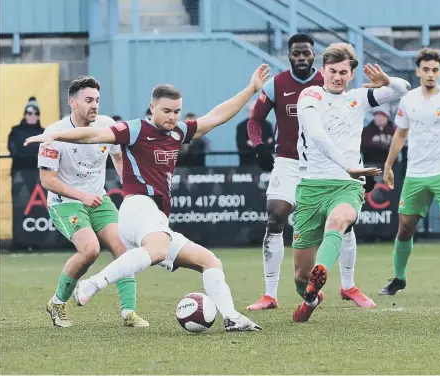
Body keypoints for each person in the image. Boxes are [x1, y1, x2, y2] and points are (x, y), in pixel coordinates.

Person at [25, 65, 271, 332]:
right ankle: (92, 283)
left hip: (151, 214)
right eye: (166, 110)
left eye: (176, 111)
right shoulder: (135, 129)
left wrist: (250, 90)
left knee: (210, 262)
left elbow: (216, 117)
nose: (172, 116)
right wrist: (54, 134)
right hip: (137, 206)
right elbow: (93, 135)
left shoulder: (178, 132)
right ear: (151, 108)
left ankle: (231, 317)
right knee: (140, 250)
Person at [246, 33, 375, 311]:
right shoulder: (276, 84)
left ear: (314, 55)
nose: (301, 58)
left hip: (330, 166)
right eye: (296, 54)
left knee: (344, 220)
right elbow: (255, 120)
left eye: (306, 54)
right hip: (288, 161)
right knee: (276, 215)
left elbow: (350, 130)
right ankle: (270, 294)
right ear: (289, 55)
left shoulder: (331, 79)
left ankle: (348, 285)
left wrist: (359, 170)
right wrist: (258, 146)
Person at [293, 43, 410, 322]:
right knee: (300, 276)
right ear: (322, 71)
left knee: (339, 220)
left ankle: (323, 272)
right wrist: (348, 165)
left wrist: (387, 81)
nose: (337, 76)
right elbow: (318, 136)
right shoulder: (310, 95)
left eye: (343, 72)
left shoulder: (358, 97)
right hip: (311, 185)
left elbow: (403, 89)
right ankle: (311, 295)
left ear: (352, 74)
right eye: (332, 71)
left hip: (347, 184)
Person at [37, 77, 148, 328]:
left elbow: (119, 158)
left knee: (125, 249)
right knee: (90, 250)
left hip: (99, 198)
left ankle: (128, 313)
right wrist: (83, 196)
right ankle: (57, 302)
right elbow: (47, 180)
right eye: (88, 100)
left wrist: (130, 188)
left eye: (97, 100)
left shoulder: (107, 126)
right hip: (65, 202)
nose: (94, 105)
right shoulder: (54, 134)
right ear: (72, 103)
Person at [379, 48, 440, 295]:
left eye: (435, 70)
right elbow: (401, 133)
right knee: (405, 228)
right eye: (426, 70)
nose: (430, 74)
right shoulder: (408, 99)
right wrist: (388, 165)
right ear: (418, 71)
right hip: (415, 173)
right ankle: (399, 278)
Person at [8, 96, 44, 172]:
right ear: (25, 115)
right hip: (19, 170)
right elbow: (12, 148)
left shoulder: (43, 132)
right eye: (29, 113)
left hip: (37, 172)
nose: (33, 116)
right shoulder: (16, 131)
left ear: (38, 116)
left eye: (36, 113)